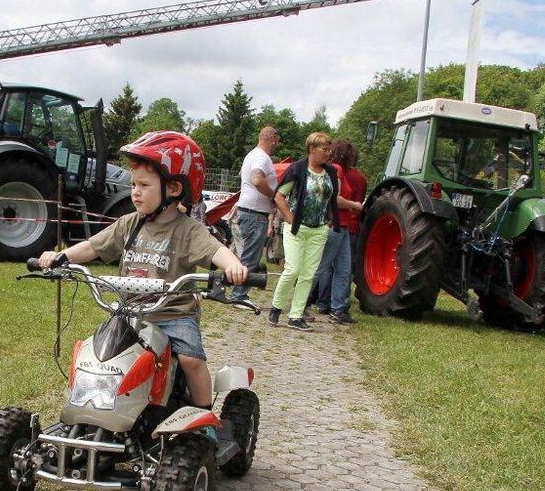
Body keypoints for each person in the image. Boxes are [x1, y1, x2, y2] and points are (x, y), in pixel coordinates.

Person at [38, 131, 249, 407]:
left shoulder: (187, 230)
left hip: (173, 315)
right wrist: (62, 256)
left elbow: (215, 250)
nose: (135, 191)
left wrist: (232, 265)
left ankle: (203, 418)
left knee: (191, 360)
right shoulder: (129, 223)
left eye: (144, 185)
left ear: (173, 188)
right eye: (133, 184)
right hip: (129, 312)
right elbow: (93, 246)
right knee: (101, 355)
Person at [269, 132, 340, 332]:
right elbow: (279, 196)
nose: (328, 153)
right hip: (297, 228)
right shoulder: (298, 169)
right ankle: (276, 307)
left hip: (319, 230)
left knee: (308, 274)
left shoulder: (330, 173)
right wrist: (290, 218)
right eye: (324, 149)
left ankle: (296, 315)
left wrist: (330, 221)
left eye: (329, 149)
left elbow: (333, 198)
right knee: (292, 269)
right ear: (311, 150)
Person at [312, 140, 364, 324]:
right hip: (336, 225)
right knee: (322, 267)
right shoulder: (337, 170)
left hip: (342, 227)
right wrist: (355, 205)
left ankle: (338, 309)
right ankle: (301, 304)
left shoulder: (334, 169)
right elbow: (336, 199)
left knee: (343, 269)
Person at [230, 126, 280, 305]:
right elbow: (257, 179)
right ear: (272, 138)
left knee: (247, 256)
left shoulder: (252, 154)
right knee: (250, 258)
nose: (277, 145)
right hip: (255, 214)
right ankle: (238, 296)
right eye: (277, 141)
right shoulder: (262, 157)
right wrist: (273, 195)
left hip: (249, 212)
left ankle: (239, 293)